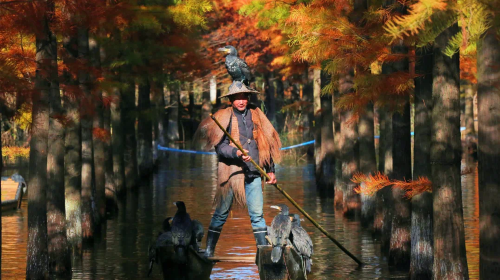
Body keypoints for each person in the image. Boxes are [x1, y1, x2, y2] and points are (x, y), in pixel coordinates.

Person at [195, 81, 282, 257]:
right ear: (231, 100)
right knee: (220, 213)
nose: (241, 101)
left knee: (257, 215)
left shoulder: (257, 115)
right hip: (231, 172)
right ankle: (209, 251)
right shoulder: (223, 117)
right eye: (237, 98)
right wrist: (236, 153)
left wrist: (271, 170)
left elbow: (267, 143)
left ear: (248, 97)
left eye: (244, 97)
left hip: (254, 171)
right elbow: (220, 148)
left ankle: (263, 254)